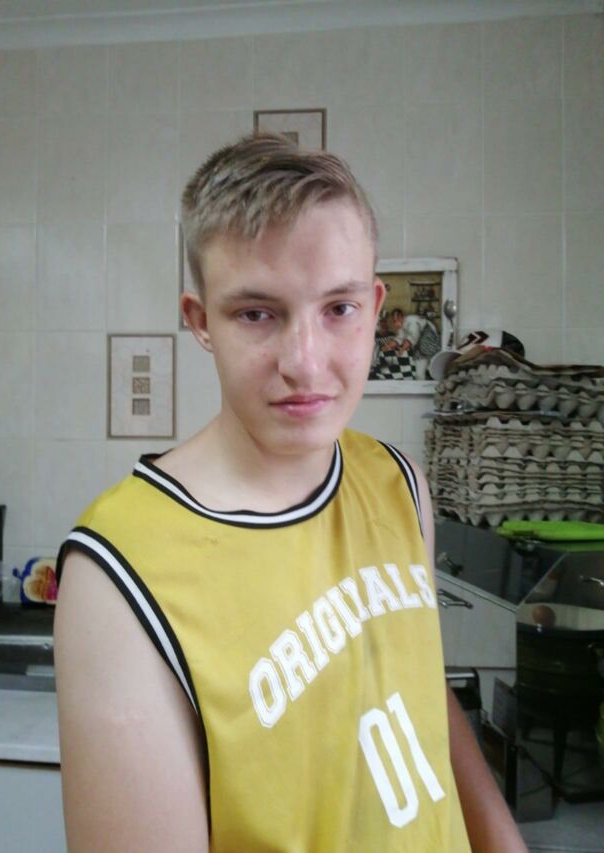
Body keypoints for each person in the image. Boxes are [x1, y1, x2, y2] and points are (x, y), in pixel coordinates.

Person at [54, 133, 526, 852]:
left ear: (374, 307)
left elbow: (416, 690)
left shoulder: (401, 486)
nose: (305, 363)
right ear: (200, 321)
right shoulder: (117, 575)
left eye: (338, 308)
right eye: (256, 313)